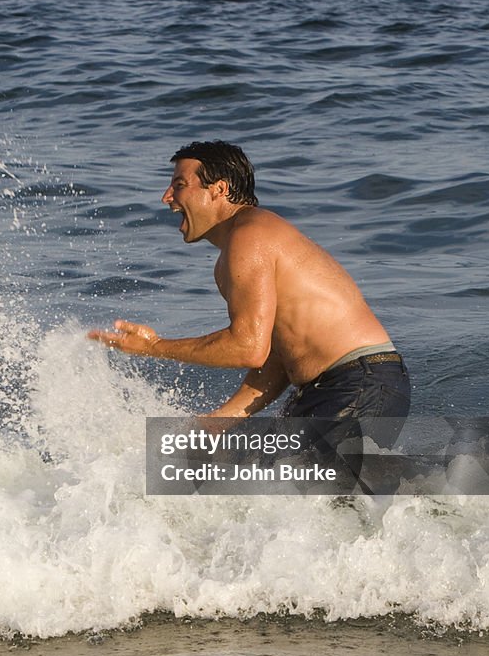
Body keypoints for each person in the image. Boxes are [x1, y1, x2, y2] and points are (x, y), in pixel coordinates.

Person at [88, 141, 410, 484]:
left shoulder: (250, 236)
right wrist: (220, 419)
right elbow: (273, 358)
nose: (167, 196)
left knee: (307, 497)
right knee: (257, 484)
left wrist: (154, 347)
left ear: (219, 190)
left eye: (180, 185)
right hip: (330, 388)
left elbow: (246, 347)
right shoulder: (234, 254)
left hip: (359, 382)